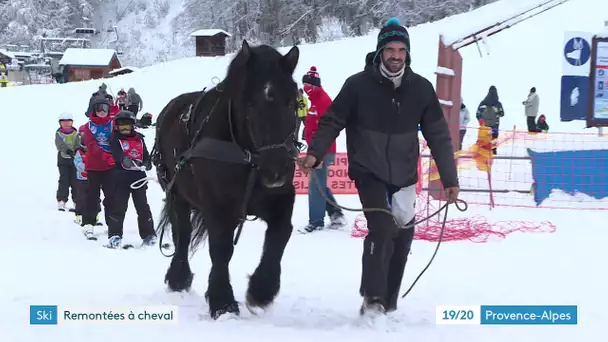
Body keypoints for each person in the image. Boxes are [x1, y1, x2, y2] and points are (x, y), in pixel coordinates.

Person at [298, 18, 459, 316]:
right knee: (381, 227)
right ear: (380, 51)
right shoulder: (357, 85)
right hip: (368, 169)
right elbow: (331, 120)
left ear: (407, 54)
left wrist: (450, 178)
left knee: (403, 232)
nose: (396, 55)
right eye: (390, 49)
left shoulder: (421, 89)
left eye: (401, 50)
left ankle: (389, 299)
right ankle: (372, 298)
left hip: (405, 174)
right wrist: (315, 152)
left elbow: (438, 135)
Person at [299, 67, 346, 233]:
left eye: (307, 85)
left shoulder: (324, 102)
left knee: (315, 185)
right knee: (319, 184)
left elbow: (327, 129)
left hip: (322, 152)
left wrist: (317, 153)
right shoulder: (313, 102)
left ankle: (316, 221)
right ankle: (336, 214)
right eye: (304, 84)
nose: (305, 88)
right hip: (315, 151)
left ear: (315, 86)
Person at [109, 110, 156, 248]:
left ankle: (148, 234)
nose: (124, 129)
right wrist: (123, 159)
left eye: (127, 125)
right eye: (121, 126)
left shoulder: (139, 139)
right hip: (120, 178)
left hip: (138, 178)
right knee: (118, 207)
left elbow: (145, 155)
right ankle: (114, 235)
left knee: (143, 207)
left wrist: (147, 163)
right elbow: (116, 152)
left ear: (132, 125)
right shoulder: (114, 139)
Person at [81, 95, 118, 239]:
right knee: (92, 196)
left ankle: (112, 224)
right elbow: (91, 144)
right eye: (99, 109)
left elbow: (117, 140)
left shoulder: (112, 124)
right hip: (94, 166)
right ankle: (88, 223)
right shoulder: (89, 126)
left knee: (111, 196)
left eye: (105, 108)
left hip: (110, 167)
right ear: (94, 110)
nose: (102, 112)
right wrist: (104, 156)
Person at [73, 124, 102, 225]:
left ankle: (95, 214)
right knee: (81, 197)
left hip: (93, 178)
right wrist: (87, 166)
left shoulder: (94, 151)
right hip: (81, 178)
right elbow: (77, 163)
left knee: (95, 197)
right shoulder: (79, 152)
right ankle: (79, 214)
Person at [55, 112, 78, 211]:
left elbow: (78, 143)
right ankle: (61, 200)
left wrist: (77, 150)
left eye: (68, 123)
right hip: (63, 160)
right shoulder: (59, 133)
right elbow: (59, 144)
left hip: (75, 160)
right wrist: (67, 150)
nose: (66, 125)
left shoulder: (75, 133)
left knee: (75, 181)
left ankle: (77, 201)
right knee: (64, 180)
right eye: (64, 123)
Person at [476, 86, 504, 155]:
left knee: (484, 139)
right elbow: (502, 114)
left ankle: (483, 151)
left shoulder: (483, 103)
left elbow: (477, 114)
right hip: (495, 125)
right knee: (494, 138)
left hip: (485, 126)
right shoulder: (498, 104)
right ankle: (493, 151)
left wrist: (481, 121)